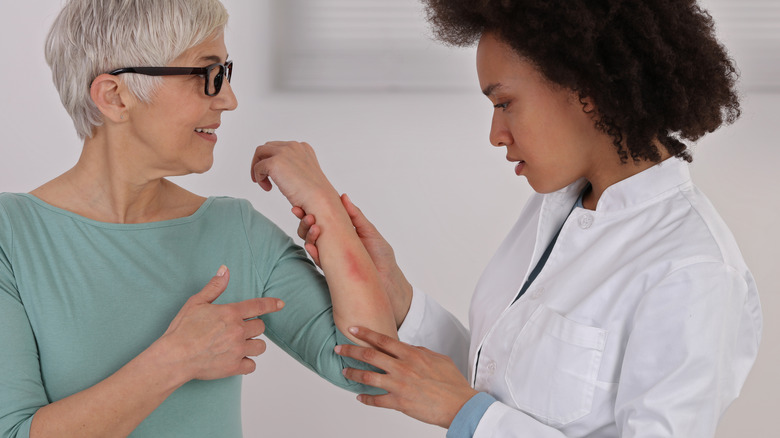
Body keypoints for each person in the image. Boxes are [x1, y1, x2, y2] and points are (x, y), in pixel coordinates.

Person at [256, 0, 763, 437]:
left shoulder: (693, 270)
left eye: (505, 103)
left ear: (586, 89)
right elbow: (501, 383)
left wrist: (466, 414)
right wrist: (400, 298)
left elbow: (476, 406)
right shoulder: (558, 207)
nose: (496, 134)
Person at [0, 1, 397, 437]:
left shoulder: (235, 230)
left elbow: (370, 366)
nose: (228, 99)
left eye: (227, 72)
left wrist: (325, 204)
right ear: (115, 97)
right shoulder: (11, 236)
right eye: (207, 75)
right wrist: (176, 359)